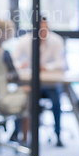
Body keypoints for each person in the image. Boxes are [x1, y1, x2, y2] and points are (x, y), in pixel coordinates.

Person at [11, 16, 66, 146]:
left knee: (56, 100)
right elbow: (13, 60)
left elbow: (62, 63)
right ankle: (16, 132)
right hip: (30, 84)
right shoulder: (25, 41)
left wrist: (46, 67)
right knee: (22, 98)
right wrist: (21, 64)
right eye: (41, 30)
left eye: (46, 29)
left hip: (49, 85)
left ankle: (58, 134)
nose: (44, 33)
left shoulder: (56, 41)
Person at [0, 20, 30, 144]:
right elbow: (15, 76)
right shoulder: (4, 53)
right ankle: (24, 138)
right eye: (9, 32)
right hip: (2, 100)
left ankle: (16, 134)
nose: (11, 35)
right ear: (3, 33)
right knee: (29, 91)